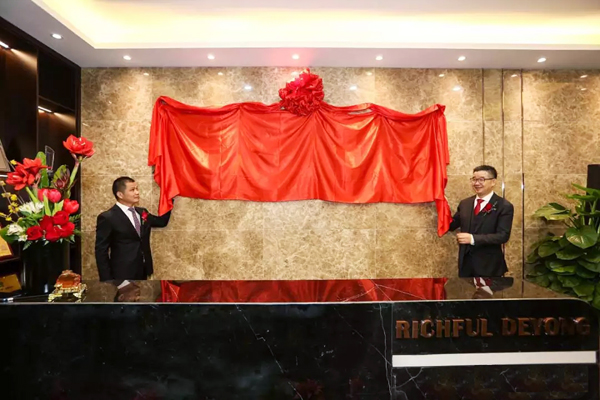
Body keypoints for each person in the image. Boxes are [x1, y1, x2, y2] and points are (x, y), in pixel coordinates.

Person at [95, 176, 171, 284]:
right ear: (120, 194)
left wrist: (169, 198)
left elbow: (162, 222)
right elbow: (101, 251)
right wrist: (107, 280)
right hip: (121, 273)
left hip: (143, 270)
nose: (137, 192)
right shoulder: (108, 217)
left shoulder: (142, 212)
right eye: (132, 190)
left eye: (137, 189)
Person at [447, 165, 514, 277]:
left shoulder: (504, 206)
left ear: (493, 182)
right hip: (466, 265)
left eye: (481, 179)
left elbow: (503, 236)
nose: (476, 183)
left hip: (490, 266)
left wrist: (472, 239)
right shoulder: (465, 203)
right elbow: (452, 224)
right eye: (474, 179)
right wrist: (441, 207)